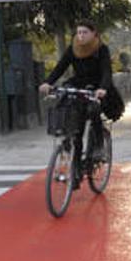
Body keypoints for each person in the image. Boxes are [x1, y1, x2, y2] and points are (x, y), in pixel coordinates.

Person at [39, 21, 115, 188]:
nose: (80, 36)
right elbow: (60, 67)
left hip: (97, 87)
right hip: (78, 85)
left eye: (84, 32)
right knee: (75, 126)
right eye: (78, 32)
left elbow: (107, 71)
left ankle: (98, 148)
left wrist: (102, 88)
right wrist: (48, 82)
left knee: (94, 110)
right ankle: (76, 170)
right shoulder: (73, 48)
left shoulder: (101, 49)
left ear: (94, 33)